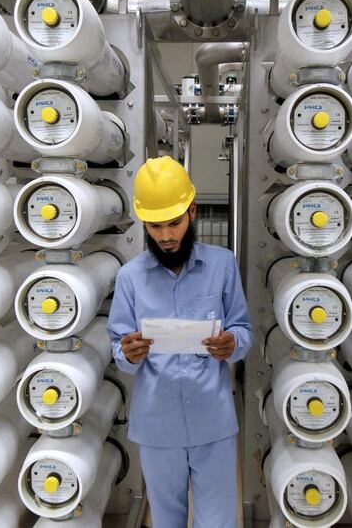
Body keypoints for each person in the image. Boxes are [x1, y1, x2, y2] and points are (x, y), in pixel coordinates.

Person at [107, 156, 253, 528]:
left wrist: (232, 343)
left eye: (174, 223)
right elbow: (117, 349)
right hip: (157, 426)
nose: (166, 236)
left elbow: (243, 329)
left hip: (213, 422)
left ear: (193, 212)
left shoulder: (222, 266)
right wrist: (128, 354)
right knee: (166, 520)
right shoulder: (130, 278)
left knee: (217, 522)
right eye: (155, 226)